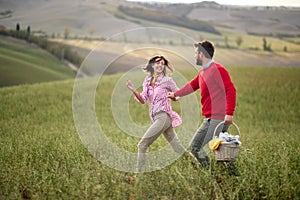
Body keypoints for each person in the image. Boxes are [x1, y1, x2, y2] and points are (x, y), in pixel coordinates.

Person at [167, 40, 236, 168]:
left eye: (196, 53)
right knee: (198, 148)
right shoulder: (203, 72)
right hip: (209, 118)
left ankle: (219, 175)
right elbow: (192, 86)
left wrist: (229, 113)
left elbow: (231, 90)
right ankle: (213, 174)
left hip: (219, 118)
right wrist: (175, 94)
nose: (194, 56)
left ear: (201, 54)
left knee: (208, 149)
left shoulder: (218, 70)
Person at [126, 55, 185, 173]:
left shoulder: (167, 81)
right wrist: (133, 90)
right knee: (178, 147)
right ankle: (198, 165)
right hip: (156, 118)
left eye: (162, 64)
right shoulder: (147, 81)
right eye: (158, 63)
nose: (160, 65)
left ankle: (138, 174)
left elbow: (178, 94)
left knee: (142, 144)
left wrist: (173, 97)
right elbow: (143, 100)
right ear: (152, 65)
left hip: (163, 116)